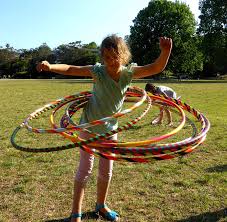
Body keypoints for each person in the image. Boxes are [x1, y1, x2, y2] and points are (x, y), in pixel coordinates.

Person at [37, 34, 172, 222]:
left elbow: (155, 67)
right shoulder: (98, 72)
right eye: (106, 57)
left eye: (114, 57)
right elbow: (71, 68)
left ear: (123, 55)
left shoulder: (128, 73)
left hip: (110, 130)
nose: (110, 61)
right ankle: (76, 213)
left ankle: (101, 205)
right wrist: (51, 66)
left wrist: (165, 52)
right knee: (85, 169)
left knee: (106, 171)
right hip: (89, 128)